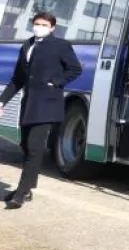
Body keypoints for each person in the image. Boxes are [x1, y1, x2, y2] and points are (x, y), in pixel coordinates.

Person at [0, 12, 82, 209]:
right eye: (37, 24)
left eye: (44, 24)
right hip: (28, 104)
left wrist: (56, 82)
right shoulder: (27, 45)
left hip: (47, 104)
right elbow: (17, 79)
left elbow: (75, 69)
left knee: (35, 147)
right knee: (26, 146)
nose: (39, 27)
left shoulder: (60, 45)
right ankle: (28, 187)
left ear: (52, 27)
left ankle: (21, 193)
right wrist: (2, 101)